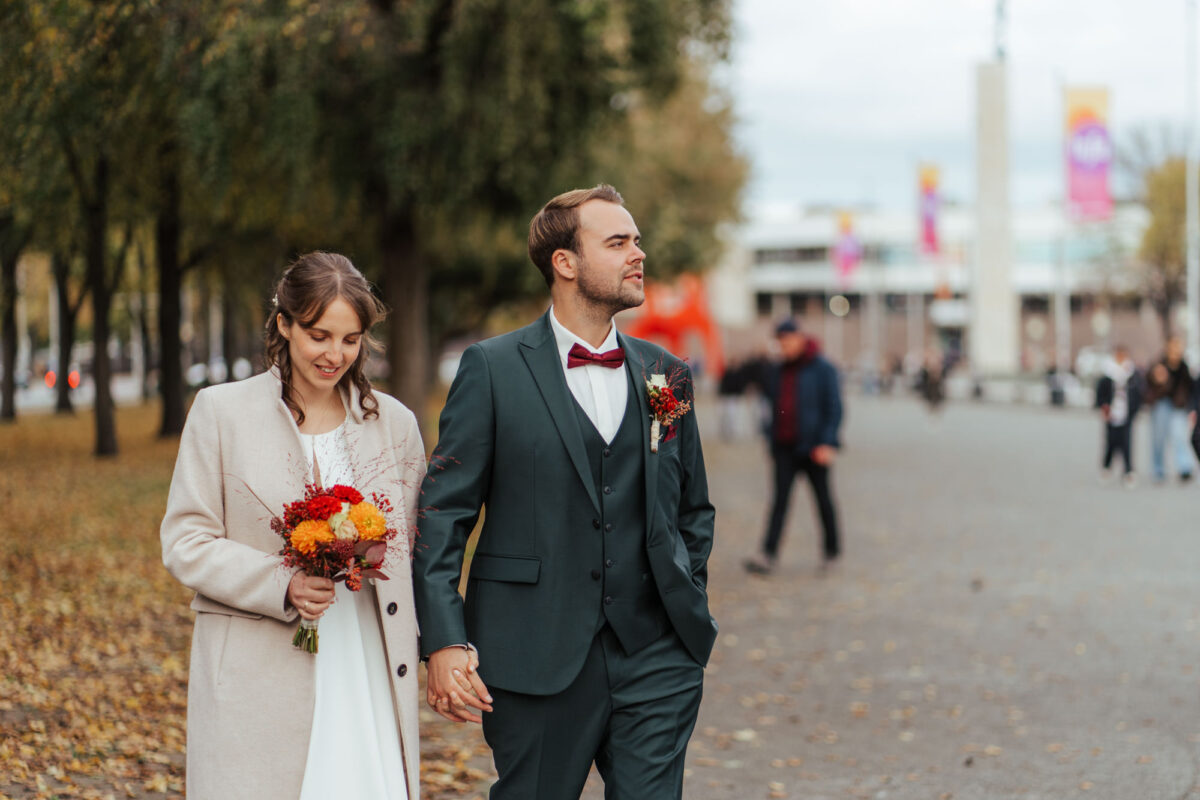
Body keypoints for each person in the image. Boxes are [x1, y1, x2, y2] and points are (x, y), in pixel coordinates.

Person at [413, 185, 716, 799]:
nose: (640, 253)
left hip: (656, 657)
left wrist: (684, 602)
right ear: (565, 262)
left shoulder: (667, 373)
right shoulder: (492, 368)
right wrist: (444, 639)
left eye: (636, 240)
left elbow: (692, 508)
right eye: (619, 242)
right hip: (532, 655)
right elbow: (443, 515)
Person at [160, 252, 438, 799]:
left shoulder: (395, 425)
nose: (335, 354)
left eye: (350, 339)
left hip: (363, 661)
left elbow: (413, 549)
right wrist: (279, 581)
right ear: (284, 325)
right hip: (255, 665)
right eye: (318, 334)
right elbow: (185, 540)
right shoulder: (220, 413)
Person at [744, 319, 842, 575]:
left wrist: (828, 442)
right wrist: (769, 436)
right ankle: (768, 554)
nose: (783, 347)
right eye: (780, 342)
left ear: (800, 338)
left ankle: (831, 552)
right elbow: (768, 407)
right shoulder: (776, 370)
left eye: (787, 341)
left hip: (814, 448)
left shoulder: (823, 369)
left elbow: (834, 408)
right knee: (779, 502)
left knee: (823, 501)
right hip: (784, 448)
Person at [1144, 335, 1195, 484]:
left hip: (1178, 406)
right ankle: (1158, 468)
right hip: (1161, 404)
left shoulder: (1183, 366)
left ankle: (1184, 467)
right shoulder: (1159, 364)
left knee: (1180, 437)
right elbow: (1148, 380)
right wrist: (1156, 376)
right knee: (1158, 438)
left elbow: (1190, 387)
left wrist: (1191, 406)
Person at [1095, 344, 1141, 487]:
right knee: (1111, 442)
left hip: (1127, 414)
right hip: (1111, 414)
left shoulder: (1133, 374)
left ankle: (1128, 471)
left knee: (1126, 443)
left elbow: (1139, 394)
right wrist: (1104, 407)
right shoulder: (1108, 375)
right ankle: (1106, 466)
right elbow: (1100, 395)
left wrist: (1134, 410)